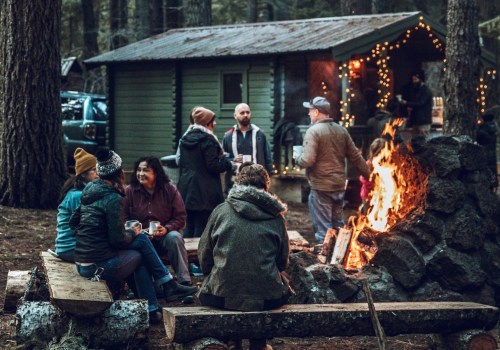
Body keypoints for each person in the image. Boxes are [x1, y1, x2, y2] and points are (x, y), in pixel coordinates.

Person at [72, 150, 196, 324]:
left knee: (140, 246)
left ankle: (156, 304)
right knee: (139, 253)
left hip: (83, 260)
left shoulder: (90, 190)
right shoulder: (113, 197)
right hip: (97, 265)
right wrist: (130, 232)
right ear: (120, 174)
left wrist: (94, 236)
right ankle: (163, 292)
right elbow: (118, 240)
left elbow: (74, 222)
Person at [198, 162, 290, 350]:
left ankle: (232, 340)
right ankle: (259, 343)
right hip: (266, 298)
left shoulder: (221, 211)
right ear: (266, 187)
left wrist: (213, 274)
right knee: (266, 288)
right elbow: (282, 261)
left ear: (238, 184)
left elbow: (204, 256)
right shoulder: (276, 217)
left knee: (227, 287)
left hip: (221, 295)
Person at [294, 96, 370, 243]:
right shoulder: (341, 130)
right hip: (339, 186)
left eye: (310, 111)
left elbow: (307, 160)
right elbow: (356, 157)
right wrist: (370, 176)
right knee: (338, 227)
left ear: (316, 112)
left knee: (324, 232)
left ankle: (326, 263)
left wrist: (297, 158)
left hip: (321, 187)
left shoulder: (313, 131)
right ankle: (341, 259)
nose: (308, 114)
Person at [123, 156, 192, 286]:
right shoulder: (130, 191)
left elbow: (180, 217)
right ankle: (151, 286)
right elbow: (123, 217)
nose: (141, 174)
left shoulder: (170, 189)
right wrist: (133, 231)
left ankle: (184, 282)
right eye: (139, 170)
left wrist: (166, 229)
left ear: (156, 173)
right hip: (140, 237)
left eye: (146, 170)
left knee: (175, 237)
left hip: (163, 236)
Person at [177, 106, 233, 238]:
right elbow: (213, 165)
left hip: (186, 188)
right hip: (204, 191)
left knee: (189, 225)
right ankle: (197, 257)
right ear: (206, 123)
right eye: (212, 121)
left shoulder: (185, 139)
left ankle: (187, 256)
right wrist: (227, 162)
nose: (215, 123)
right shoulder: (208, 139)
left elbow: (179, 161)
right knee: (202, 227)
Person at [54, 148, 98, 262]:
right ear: (83, 174)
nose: (98, 173)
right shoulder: (78, 195)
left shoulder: (85, 191)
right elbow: (86, 226)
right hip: (70, 249)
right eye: (94, 169)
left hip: (75, 248)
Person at [222, 103, 273, 192]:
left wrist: (267, 177)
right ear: (235, 115)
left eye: (247, 112)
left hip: (257, 181)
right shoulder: (228, 136)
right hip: (235, 181)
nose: (246, 115)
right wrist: (233, 159)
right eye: (242, 113)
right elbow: (223, 159)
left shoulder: (259, 134)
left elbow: (267, 157)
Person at [399, 70, 433, 138]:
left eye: (415, 79)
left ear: (420, 79)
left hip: (423, 121)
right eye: (413, 79)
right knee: (415, 142)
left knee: (424, 141)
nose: (414, 81)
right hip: (415, 121)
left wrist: (407, 103)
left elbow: (421, 103)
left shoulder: (426, 91)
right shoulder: (415, 90)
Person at [359, 138, 387, 214]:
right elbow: (362, 178)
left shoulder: (387, 164)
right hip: (368, 196)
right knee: (368, 216)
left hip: (380, 196)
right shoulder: (369, 164)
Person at [476, 110, 498, 193]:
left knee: (486, 170)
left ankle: (487, 187)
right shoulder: (494, 129)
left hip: (484, 153)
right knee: (492, 170)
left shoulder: (482, 130)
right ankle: (494, 186)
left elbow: (479, 140)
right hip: (492, 154)